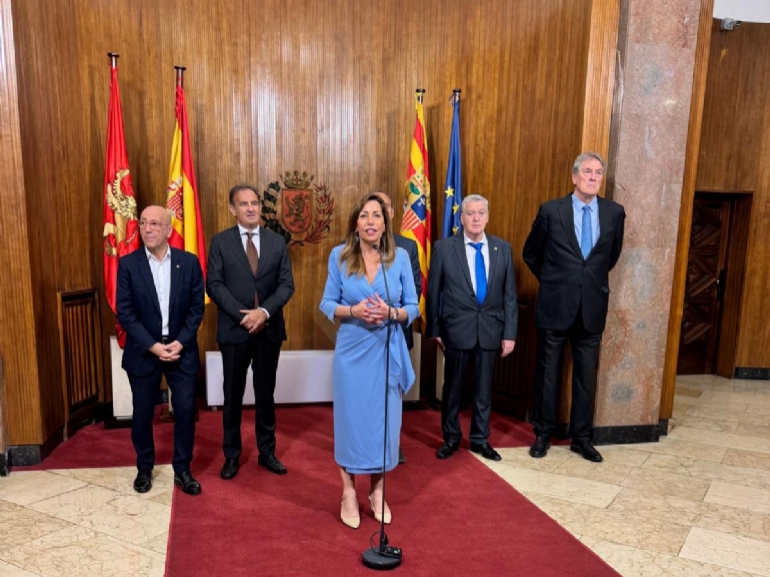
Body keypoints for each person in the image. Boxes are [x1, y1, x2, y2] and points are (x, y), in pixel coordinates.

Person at [319, 193, 419, 530]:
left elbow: (413, 307)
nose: (372, 221)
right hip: (352, 352)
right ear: (356, 223)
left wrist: (394, 313)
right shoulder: (340, 256)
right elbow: (327, 304)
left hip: (386, 352)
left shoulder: (400, 258)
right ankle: (348, 491)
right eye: (365, 215)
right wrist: (355, 311)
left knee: (383, 426)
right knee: (350, 424)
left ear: (386, 223)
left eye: (377, 215)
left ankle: (377, 490)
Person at [523, 152, 625, 463]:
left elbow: (611, 257)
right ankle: (543, 434)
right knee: (548, 373)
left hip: (592, 306)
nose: (593, 177)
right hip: (555, 305)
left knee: (585, 376)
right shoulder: (551, 211)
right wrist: (554, 281)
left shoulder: (614, 213)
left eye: (598, 173)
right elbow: (531, 254)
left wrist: (586, 284)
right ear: (574, 177)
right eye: (587, 172)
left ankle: (582, 438)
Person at [207, 183, 295, 479]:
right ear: (232, 209)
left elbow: (286, 285)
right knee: (232, 394)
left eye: (255, 203)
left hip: (268, 329)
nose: (251, 208)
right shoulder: (220, 242)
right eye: (243, 204)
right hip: (234, 330)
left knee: (265, 393)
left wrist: (264, 312)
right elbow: (214, 285)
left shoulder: (277, 242)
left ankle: (266, 452)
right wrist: (243, 315)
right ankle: (232, 455)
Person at [116, 205, 204, 496]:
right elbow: (126, 314)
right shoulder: (128, 265)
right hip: (144, 351)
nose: (148, 229)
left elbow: (195, 308)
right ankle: (144, 468)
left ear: (169, 230)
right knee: (142, 413)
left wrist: (181, 341)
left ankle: (183, 469)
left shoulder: (188, 263)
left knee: (187, 410)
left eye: (155, 224)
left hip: (181, 348)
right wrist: (154, 346)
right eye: (143, 223)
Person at [427, 194, 518, 462]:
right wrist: (435, 329)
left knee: (483, 391)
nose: (476, 218)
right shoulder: (444, 248)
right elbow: (434, 293)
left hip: (490, 330)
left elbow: (509, 296)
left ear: (487, 217)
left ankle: (480, 440)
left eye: (481, 213)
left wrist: (510, 334)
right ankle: (451, 438)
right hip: (456, 330)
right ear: (462, 218)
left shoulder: (503, 249)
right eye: (470, 213)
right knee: (452, 389)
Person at [372, 190, 421, 465]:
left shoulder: (407, 248)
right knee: (369, 394)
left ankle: (392, 443)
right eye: (373, 208)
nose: (378, 213)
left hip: (396, 331)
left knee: (393, 395)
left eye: (384, 207)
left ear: (391, 213)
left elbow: (412, 290)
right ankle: (371, 442)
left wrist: (393, 313)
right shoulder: (355, 246)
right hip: (366, 331)